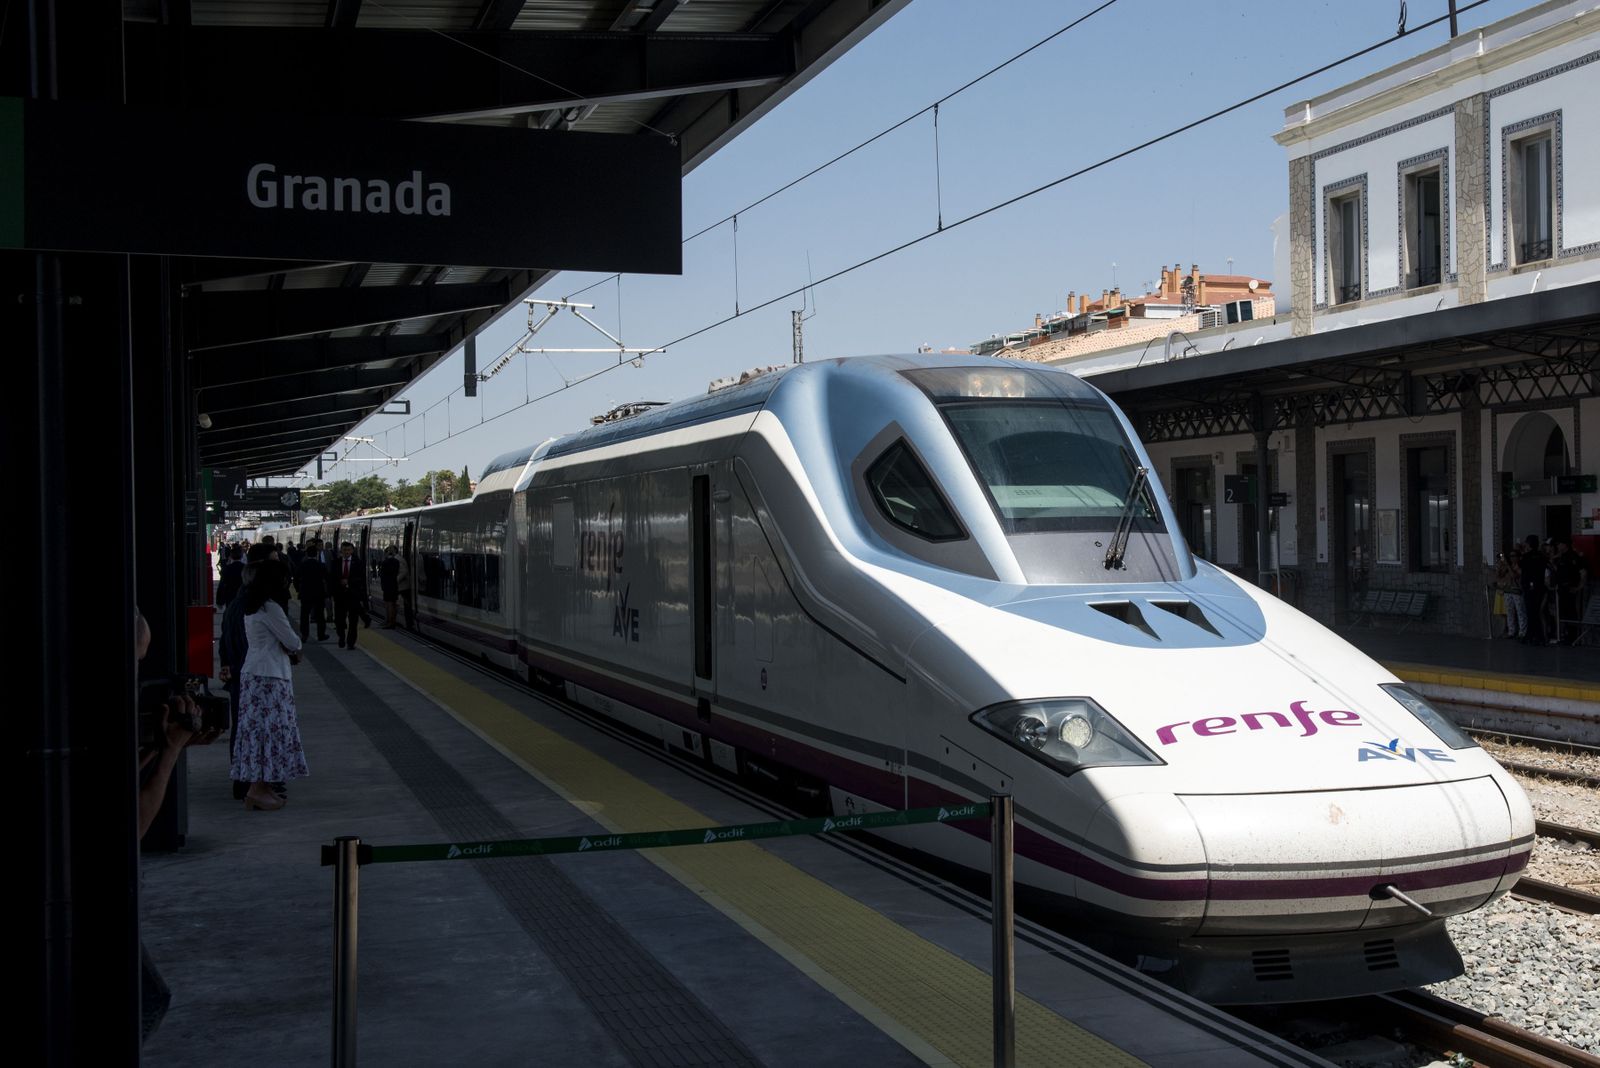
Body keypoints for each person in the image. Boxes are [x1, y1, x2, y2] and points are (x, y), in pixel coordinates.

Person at [231, 559, 307, 810]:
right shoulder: (270, 608)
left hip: (254, 674)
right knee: (271, 732)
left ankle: (261, 788)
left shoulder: (252, 606)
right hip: (270, 677)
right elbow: (292, 641)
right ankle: (257, 790)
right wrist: (296, 649)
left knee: (258, 733)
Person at [331, 540, 367, 650]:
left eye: (348, 550)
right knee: (339, 620)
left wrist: (349, 582)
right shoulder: (336, 562)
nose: (346, 552)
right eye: (344, 550)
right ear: (341, 550)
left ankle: (351, 643)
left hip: (353, 596)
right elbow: (331, 578)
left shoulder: (359, 563)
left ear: (352, 551)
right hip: (339, 596)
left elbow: (361, 578)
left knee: (353, 621)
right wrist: (337, 585)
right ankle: (341, 636)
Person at [1553, 538, 1587, 645]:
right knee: (1563, 612)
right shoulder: (1561, 557)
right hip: (1561, 589)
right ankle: (1565, 635)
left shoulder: (1574, 557)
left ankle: (1573, 636)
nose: (1558, 546)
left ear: (1565, 545)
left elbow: (1583, 572)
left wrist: (1578, 587)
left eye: (1559, 544)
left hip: (1570, 589)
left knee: (1571, 612)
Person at [294, 539, 329, 642]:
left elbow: (296, 579)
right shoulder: (321, 566)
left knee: (304, 615)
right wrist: (327, 593)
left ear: (307, 553)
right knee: (320, 615)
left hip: (305, 593)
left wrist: (298, 589)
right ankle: (321, 635)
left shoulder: (302, 565)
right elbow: (327, 579)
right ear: (316, 554)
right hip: (319, 593)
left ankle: (304, 635)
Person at [1518, 534, 1551, 646]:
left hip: (1530, 587)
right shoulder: (1542, 556)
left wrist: (1522, 552)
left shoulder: (1527, 557)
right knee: (1536, 611)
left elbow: (1521, 566)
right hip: (1540, 587)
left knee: (1531, 612)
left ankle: (1534, 635)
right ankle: (1536, 635)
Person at [1498, 546, 1525, 641]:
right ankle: (1511, 631)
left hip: (1517, 591)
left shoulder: (1520, 566)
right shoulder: (1508, 566)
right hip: (1508, 591)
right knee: (1509, 612)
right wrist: (1502, 565)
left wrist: (1508, 566)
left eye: (1514, 556)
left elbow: (1514, 576)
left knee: (1520, 612)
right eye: (1510, 556)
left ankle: (1522, 632)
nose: (1512, 558)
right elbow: (1500, 575)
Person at [215, 544, 244, 608]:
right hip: (243, 597)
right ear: (242, 556)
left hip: (230, 596)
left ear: (231, 556)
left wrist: (220, 601)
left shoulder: (227, 569)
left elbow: (222, 584)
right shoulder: (246, 568)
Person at [379, 544, 401, 628]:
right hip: (394, 585)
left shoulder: (385, 562)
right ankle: (391, 621)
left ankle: (389, 622)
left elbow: (382, 574)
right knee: (393, 603)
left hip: (387, 585)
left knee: (389, 604)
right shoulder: (396, 562)